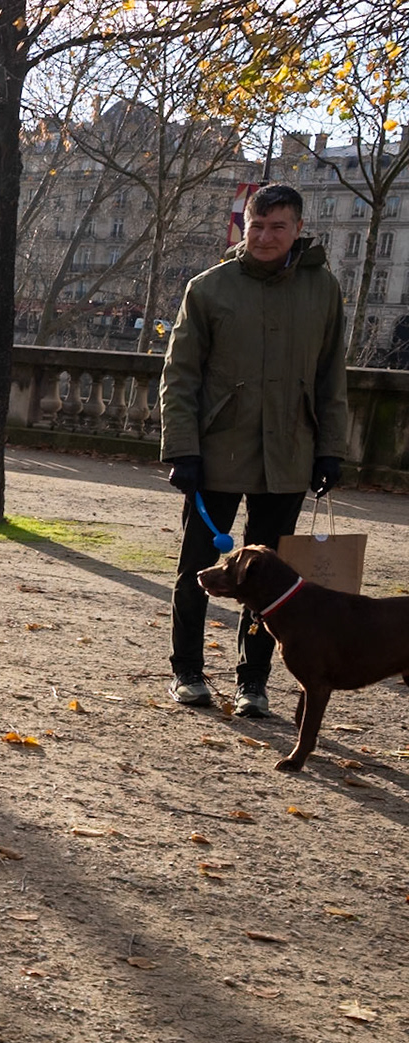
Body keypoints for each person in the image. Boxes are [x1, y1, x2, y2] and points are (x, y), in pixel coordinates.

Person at [159, 183, 349, 717]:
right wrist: (182, 450)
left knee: (274, 580)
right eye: (255, 226)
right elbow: (179, 376)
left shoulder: (323, 290)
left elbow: (331, 376)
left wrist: (330, 449)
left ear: (298, 229)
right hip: (216, 452)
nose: (264, 237)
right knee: (198, 567)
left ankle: (253, 683)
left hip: (289, 452)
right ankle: (187, 671)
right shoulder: (207, 288)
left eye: (276, 227)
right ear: (244, 225)